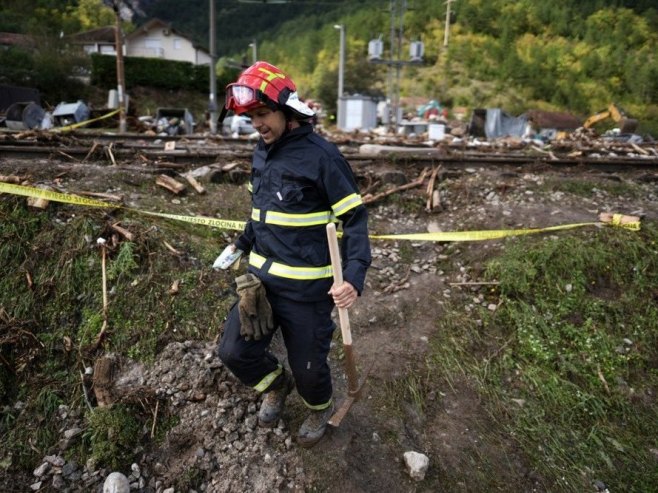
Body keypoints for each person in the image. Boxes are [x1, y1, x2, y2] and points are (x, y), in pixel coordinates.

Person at [216, 61, 371, 448]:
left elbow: (355, 219)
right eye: (251, 118)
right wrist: (242, 243)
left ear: (287, 110)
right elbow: (261, 214)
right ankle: (276, 385)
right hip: (262, 286)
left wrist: (352, 278)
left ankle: (319, 407)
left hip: (307, 295)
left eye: (263, 114)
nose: (258, 125)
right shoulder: (262, 153)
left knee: (311, 372)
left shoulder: (323, 157)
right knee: (234, 352)